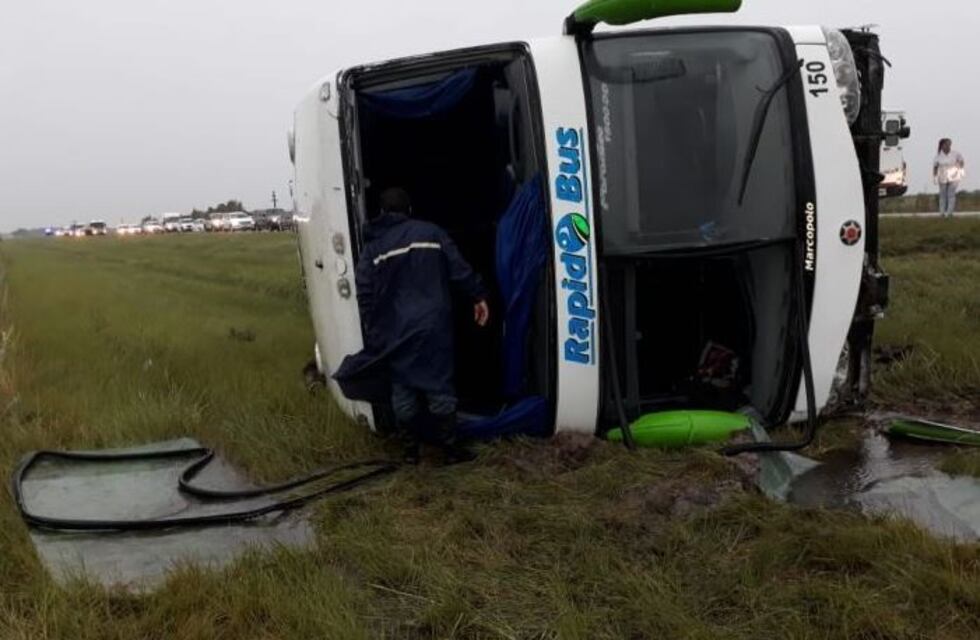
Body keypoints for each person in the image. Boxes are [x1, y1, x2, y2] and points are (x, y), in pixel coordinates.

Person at [338, 187, 489, 464]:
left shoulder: (374, 247)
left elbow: (365, 292)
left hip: (395, 329)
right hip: (434, 324)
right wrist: (478, 295)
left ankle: (410, 451)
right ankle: (450, 449)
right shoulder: (432, 233)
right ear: (409, 210)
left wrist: (374, 328)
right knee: (439, 385)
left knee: (403, 390)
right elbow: (459, 269)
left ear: (382, 213)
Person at [934, 138, 966, 218]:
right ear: (942, 146)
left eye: (949, 144)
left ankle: (949, 213)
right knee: (942, 195)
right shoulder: (938, 156)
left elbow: (961, 161)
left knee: (951, 194)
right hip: (942, 176)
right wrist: (935, 176)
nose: (948, 146)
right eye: (946, 144)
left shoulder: (955, 153)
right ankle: (941, 213)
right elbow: (935, 167)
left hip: (954, 175)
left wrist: (960, 168)